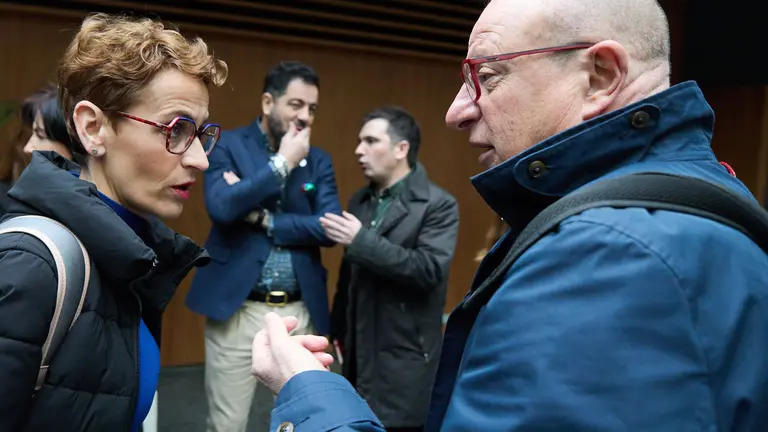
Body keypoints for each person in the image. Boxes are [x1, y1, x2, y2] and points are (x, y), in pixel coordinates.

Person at [250, 0, 768, 431]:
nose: (457, 111)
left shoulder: (607, 256)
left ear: (600, 76)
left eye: (488, 77)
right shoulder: (692, 196)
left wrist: (309, 394)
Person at [0, 13, 227, 432]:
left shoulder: (129, 257)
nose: (201, 159)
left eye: (201, 133)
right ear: (93, 129)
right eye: (176, 129)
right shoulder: (32, 265)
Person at [185, 60, 341, 432]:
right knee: (228, 423)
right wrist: (281, 165)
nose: (305, 117)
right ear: (269, 102)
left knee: (300, 421)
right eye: (296, 105)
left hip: (299, 311)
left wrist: (261, 217)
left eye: (312, 109)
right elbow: (222, 207)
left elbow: (329, 227)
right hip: (238, 310)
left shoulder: (318, 160)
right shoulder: (228, 145)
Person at [323, 106, 459, 431]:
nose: (359, 150)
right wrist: (337, 331)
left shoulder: (438, 205)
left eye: (371, 141)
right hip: (358, 351)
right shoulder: (360, 200)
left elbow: (428, 270)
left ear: (401, 149)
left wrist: (360, 241)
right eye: (359, 141)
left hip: (405, 356)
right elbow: (349, 275)